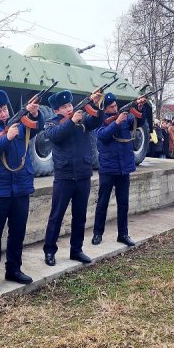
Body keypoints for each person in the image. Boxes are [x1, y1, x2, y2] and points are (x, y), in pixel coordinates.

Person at [0, 90, 44, 292]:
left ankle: (14, 269)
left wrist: (33, 113)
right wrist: (7, 137)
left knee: (17, 233)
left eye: (4, 109)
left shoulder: (20, 126)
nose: (3, 113)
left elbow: (38, 129)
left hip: (20, 188)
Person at [42, 90, 103, 267]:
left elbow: (97, 121)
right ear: (56, 111)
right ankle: (49, 251)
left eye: (69, 105)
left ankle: (76, 249)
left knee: (80, 215)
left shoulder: (82, 118)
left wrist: (95, 105)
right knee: (57, 216)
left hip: (83, 173)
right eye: (64, 107)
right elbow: (55, 136)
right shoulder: (51, 123)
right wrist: (72, 121)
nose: (69, 108)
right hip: (64, 175)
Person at [91, 92, 147, 247]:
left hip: (124, 168)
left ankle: (123, 234)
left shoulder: (124, 117)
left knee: (123, 204)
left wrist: (140, 107)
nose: (114, 108)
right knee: (102, 203)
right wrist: (116, 123)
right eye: (111, 107)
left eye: (115, 105)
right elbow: (102, 136)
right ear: (105, 108)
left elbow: (139, 122)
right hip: (108, 168)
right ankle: (97, 233)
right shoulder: (99, 120)